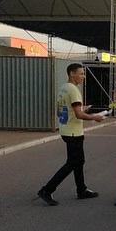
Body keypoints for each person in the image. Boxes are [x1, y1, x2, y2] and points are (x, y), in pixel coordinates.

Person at [37, 63, 104, 206]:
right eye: (81, 74)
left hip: (65, 129)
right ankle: (47, 190)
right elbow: (79, 115)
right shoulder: (73, 90)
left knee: (78, 161)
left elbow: (61, 111)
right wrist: (95, 117)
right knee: (73, 162)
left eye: (83, 74)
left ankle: (81, 189)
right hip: (74, 132)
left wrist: (82, 108)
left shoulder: (63, 88)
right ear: (72, 74)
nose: (83, 77)